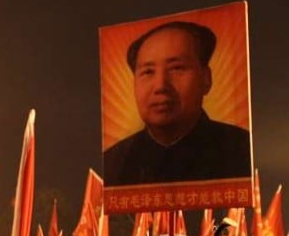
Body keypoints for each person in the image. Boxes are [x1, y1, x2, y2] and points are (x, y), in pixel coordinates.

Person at [103, 21, 251, 185]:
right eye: (148, 72)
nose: (160, 86)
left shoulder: (241, 150)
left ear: (206, 79)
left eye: (176, 68)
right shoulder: (114, 162)